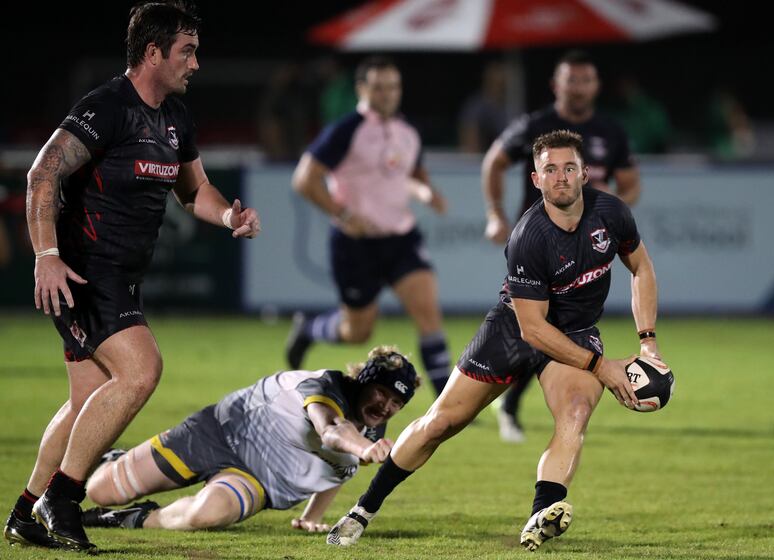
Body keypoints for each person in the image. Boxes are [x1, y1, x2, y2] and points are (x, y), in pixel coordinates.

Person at [326, 130, 665, 552]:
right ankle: (364, 509)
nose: (560, 177)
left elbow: (642, 269)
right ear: (536, 179)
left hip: (576, 332)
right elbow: (533, 330)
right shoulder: (529, 237)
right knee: (440, 424)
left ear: (585, 173)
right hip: (514, 332)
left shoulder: (611, 213)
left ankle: (542, 514)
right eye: (550, 170)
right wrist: (602, 367)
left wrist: (647, 343)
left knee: (575, 412)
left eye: (569, 168)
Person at [3, 2, 261, 552]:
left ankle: (26, 512)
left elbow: (195, 192)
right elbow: (41, 173)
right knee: (142, 370)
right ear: (153, 53)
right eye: (187, 51)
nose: (196, 63)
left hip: (121, 276)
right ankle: (63, 498)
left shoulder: (175, 119)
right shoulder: (107, 107)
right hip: (84, 274)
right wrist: (45, 254)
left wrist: (228, 216)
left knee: (86, 404)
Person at [79, 347, 418, 533]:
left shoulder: (373, 429)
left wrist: (312, 516)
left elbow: (336, 468)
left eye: (396, 403)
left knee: (207, 515)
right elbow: (331, 431)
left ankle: (129, 519)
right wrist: (363, 447)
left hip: (257, 480)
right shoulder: (324, 386)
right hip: (216, 433)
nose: (385, 407)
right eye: (381, 393)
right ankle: (113, 461)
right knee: (101, 490)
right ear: (363, 381)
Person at [482, 50, 641, 442]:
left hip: (586, 243)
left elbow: (631, 183)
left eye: (586, 80)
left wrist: (607, 212)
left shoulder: (610, 130)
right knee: (536, 327)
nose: (579, 87)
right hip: (539, 246)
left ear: (596, 86)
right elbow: (494, 162)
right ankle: (505, 399)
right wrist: (495, 213)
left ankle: (515, 403)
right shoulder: (537, 126)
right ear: (557, 85)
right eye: (571, 80)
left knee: (557, 327)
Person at [286, 56, 452, 396]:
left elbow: (410, 175)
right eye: (379, 87)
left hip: (401, 238)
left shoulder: (408, 131)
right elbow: (304, 180)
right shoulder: (346, 130)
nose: (388, 94)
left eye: (393, 86)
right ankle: (309, 329)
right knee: (357, 331)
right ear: (362, 89)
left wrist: (424, 191)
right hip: (354, 243)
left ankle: (448, 405)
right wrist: (344, 215)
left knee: (429, 315)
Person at [458, 60, 510, 153]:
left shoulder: (511, 106)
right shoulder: (475, 107)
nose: (498, 88)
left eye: (502, 84)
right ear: (487, 81)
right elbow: (470, 146)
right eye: (494, 83)